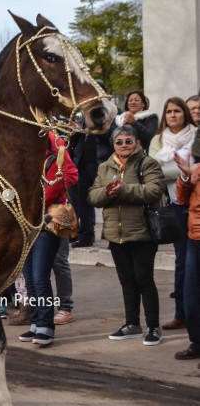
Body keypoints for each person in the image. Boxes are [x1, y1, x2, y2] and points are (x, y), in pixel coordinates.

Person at [89, 125, 165, 345]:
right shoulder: (104, 167)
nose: (123, 145)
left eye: (128, 141)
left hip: (142, 233)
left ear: (137, 143)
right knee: (127, 281)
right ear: (113, 145)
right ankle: (132, 324)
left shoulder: (148, 163)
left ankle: (153, 327)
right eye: (119, 142)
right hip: (115, 234)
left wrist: (123, 189)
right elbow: (92, 196)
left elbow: (154, 190)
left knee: (144, 280)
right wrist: (107, 192)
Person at [18, 133, 78, 346]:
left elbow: (71, 175)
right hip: (26, 221)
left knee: (39, 276)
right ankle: (35, 322)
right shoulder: (22, 151)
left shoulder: (55, 147)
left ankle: (45, 325)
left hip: (48, 220)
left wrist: (46, 196)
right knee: (29, 276)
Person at [149, 97, 196, 330]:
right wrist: (185, 171)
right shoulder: (158, 140)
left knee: (193, 261)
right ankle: (181, 313)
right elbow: (153, 170)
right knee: (182, 260)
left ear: (185, 113)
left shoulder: (196, 135)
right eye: (169, 111)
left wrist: (183, 170)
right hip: (175, 205)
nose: (173, 115)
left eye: (177, 110)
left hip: (196, 204)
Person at [174, 151, 200, 362]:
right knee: (191, 295)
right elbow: (181, 199)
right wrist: (184, 175)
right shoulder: (196, 169)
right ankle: (197, 343)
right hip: (194, 238)